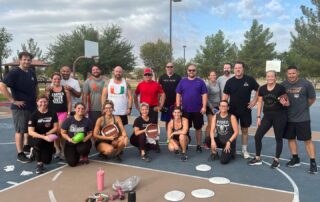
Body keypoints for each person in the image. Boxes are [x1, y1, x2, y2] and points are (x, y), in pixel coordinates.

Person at [0, 51, 38, 163]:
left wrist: (37, 98)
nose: (27, 61)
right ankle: (20, 153)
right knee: (20, 130)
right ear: (20, 60)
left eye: (28, 59)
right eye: (24, 59)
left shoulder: (31, 71)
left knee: (29, 128)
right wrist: (13, 100)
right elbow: (2, 85)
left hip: (32, 105)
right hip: (20, 107)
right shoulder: (14, 72)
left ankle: (26, 146)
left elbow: (35, 85)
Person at [248, 71, 288, 168]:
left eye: (272, 76)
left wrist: (284, 102)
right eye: (268, 76)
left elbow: (286, 103)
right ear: (266, 77)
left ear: (275, 77)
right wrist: (258, 117)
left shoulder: (280, 88)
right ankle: (257, 158)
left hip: (279, 116)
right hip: (267, 116)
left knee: (278, 138)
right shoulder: (262, 88)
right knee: (257, 136)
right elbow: (260, 102)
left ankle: (276, 160)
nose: (270, 78)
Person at [281, 65, 317, 174]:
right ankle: (295, 159)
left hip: (303, 118)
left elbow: (312, 99)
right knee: (291, 139)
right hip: (289, 118)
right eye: (289, 73)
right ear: (287, 74)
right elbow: (282, 98)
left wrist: (303, 108)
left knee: (308, 140)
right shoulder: (283, 85)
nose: (291, 75)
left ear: (297, 73)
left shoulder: (306, 84)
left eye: (293, 73)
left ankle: (313, 162)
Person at [223, 61, 259, 159]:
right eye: (236, 68)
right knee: (231, 131)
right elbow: (225, 96)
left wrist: (254, 102)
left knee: (244, 130)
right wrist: (223, 108)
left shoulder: (249, 79)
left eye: (240, 68)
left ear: (243, 69)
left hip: (245, 110)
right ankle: (231, 149)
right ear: (233, 69)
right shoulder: (230, 81)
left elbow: (258, 89)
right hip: (232, 111)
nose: (238, 69)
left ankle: (244, 150)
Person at [176, 64, 208, 153]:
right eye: (190, 70)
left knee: (198, 128)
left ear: (196, 71)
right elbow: (178, 94)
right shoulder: (182, 82)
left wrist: (204, 107)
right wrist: (178, 107)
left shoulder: (200, 82)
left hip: (198, 110)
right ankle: (185, 144)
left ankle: (198, 145)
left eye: (193, 70)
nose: (191, 72)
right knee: (186, 129)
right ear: (187, 71)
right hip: (185, 110)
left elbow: (204, 94)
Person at [28, 95, 58, 174]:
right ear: (37, 103)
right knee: (38, 142)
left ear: (47, 102)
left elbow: (55, 128)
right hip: (36, 137)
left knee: (47, 161)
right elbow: (30, 132)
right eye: (41, 102)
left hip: (48, 135)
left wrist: (46, 134)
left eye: (45, 102)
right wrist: (43, 137)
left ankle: (36, 151)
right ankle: (39, 164)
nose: (43, 104)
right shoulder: (33, 115)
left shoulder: (52, 113)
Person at [46, 72, 71, 160]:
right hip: (52, 114)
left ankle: (63, 150)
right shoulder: (49, 90)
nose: (56, 80)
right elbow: (46, 101)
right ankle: (57, 150)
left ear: (60, 80)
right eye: (55, 78)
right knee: (55, 132)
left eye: (58, 78)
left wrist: (68, 113)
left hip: (62, 113)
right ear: (52, 79)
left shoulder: (65, 89)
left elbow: (69, 102)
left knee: (60, 132)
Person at [61, 103, 92, 167]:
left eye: (82, 109)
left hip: (82, 142)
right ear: (75, 109)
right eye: (79, 108)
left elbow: (91, 132)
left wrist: (86, 138)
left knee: (82, 149)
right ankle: (76, 154)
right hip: (71, 143)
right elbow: (63, 132)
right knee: (72, 164)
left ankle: (84, 155)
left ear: (84, 110)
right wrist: (69, 139)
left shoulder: (87, 120)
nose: (81, 110)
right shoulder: (68, 120)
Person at [207, 100, 238, 164]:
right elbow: (212, 130)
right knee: (208, 140)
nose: (223, 107)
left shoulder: (232, 117)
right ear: (219, 107)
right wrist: (212, 141)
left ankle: (232, 152)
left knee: (223, 161)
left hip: (229, 142)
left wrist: (229, 142)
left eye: (225, 106)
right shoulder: (216, 116)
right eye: (221, 106)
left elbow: (236, 132)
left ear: (228, 108)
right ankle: (215, 154)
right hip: (220, 140)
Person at [158, 62, 181, 128]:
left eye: (171, 67)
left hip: (175, 103)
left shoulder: (178, 77)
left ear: (173, 68)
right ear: (166, 68)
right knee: (167, 121)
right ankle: (169, 137)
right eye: (168, 67)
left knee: (176, 120)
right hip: (165, 104)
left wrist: (179, 102)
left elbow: (181, 91)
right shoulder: (162, 77)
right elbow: (159, 91)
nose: (169, 68)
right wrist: (159, 102)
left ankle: (175, 136)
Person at [204, 71, 221, 148]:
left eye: (214, 75)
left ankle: (215, 140)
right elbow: (206, 98)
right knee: (211, 125)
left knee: (217, 124)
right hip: (210, 107)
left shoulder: (217, 83)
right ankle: (206, 142)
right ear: (209, 77)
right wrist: (212, 108)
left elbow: (219, 95)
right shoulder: (207, 85)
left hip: (218, 106)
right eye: (212, 75)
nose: (213, 76)